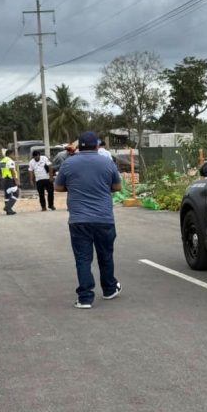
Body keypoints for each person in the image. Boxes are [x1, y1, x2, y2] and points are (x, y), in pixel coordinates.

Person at [54, 131, 123, 309]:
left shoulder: (68, 163)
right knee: (105, 255)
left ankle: (85, 298)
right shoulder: (107, 162)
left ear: (79, 146)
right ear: (96, 146)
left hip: (78, 220)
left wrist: (75, 186)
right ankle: (109, 289)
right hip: (104, 218)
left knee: (83, 259)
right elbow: (117, 187)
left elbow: (59, 187)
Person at [0, 149, 19, 215]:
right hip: (10, 179)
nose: (14, 156)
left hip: (4, 179)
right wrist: (16, 180)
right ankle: (7, 207)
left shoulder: (2, 161)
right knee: (16, 193)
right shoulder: (10, 161)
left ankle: (9, 211)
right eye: (14, 154)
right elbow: (12, 170)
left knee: (7, 195)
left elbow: (3, 170)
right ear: (10, 154)